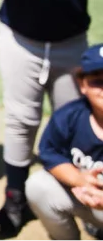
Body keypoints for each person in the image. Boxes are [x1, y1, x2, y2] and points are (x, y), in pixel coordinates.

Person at [0, 0, 103, 237]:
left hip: (70, 44)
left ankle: (83, 195)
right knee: (21, 120)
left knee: (75, 119)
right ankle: (15, 201)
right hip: (21, 41)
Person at [26, 43, 103, 241]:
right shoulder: (70, 116)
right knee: (38, 185)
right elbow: (49, 152)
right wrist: (80, 179)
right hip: (85, 198)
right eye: (97, 81)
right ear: (82, 84)